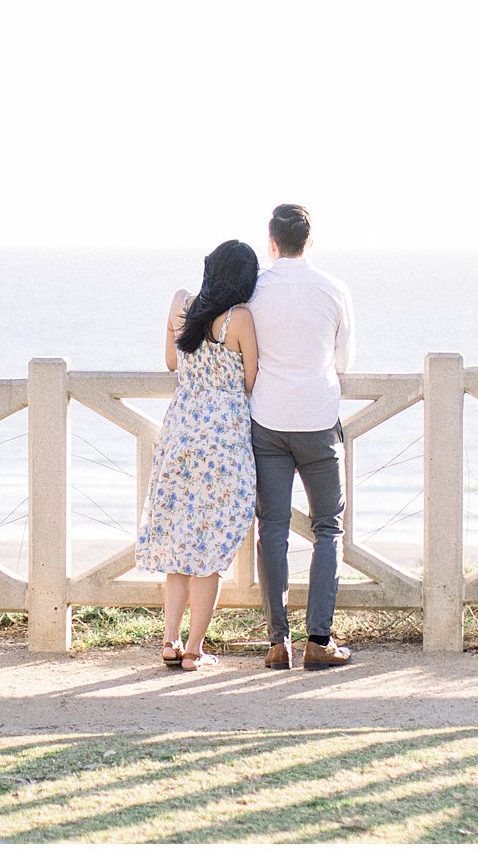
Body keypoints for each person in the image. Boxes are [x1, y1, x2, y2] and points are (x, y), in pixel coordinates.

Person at [134, 239, 261, 671]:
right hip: (222, 440)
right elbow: (251, 379)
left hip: (180, 432)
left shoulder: (180, 303)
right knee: (210, 550)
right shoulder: (239, 318)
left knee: (179, 545)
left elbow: (172, 361)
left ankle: (169, 642)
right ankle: (194, 650)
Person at [246, 203, 356, 669]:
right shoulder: (334, 289)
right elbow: (344, 362)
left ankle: (278, 642)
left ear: (271, 240)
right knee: (327, 528)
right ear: (309, 241)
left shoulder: (252, 290)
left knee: (271, 528)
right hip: (317, 420)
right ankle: (319, 639)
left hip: (268, 420)